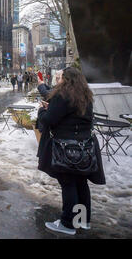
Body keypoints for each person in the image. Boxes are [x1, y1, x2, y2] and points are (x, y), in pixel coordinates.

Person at [36, 67, 105, 235]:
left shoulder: (62, 95)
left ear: (66, 80)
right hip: (84, 148)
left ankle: (68, 223)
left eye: (61, 78)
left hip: (65, 148)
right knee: (81, 183)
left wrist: (43, 110)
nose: (58, 81)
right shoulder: (86, 96)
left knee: (68, 184)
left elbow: (50, 120)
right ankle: (83, 219)